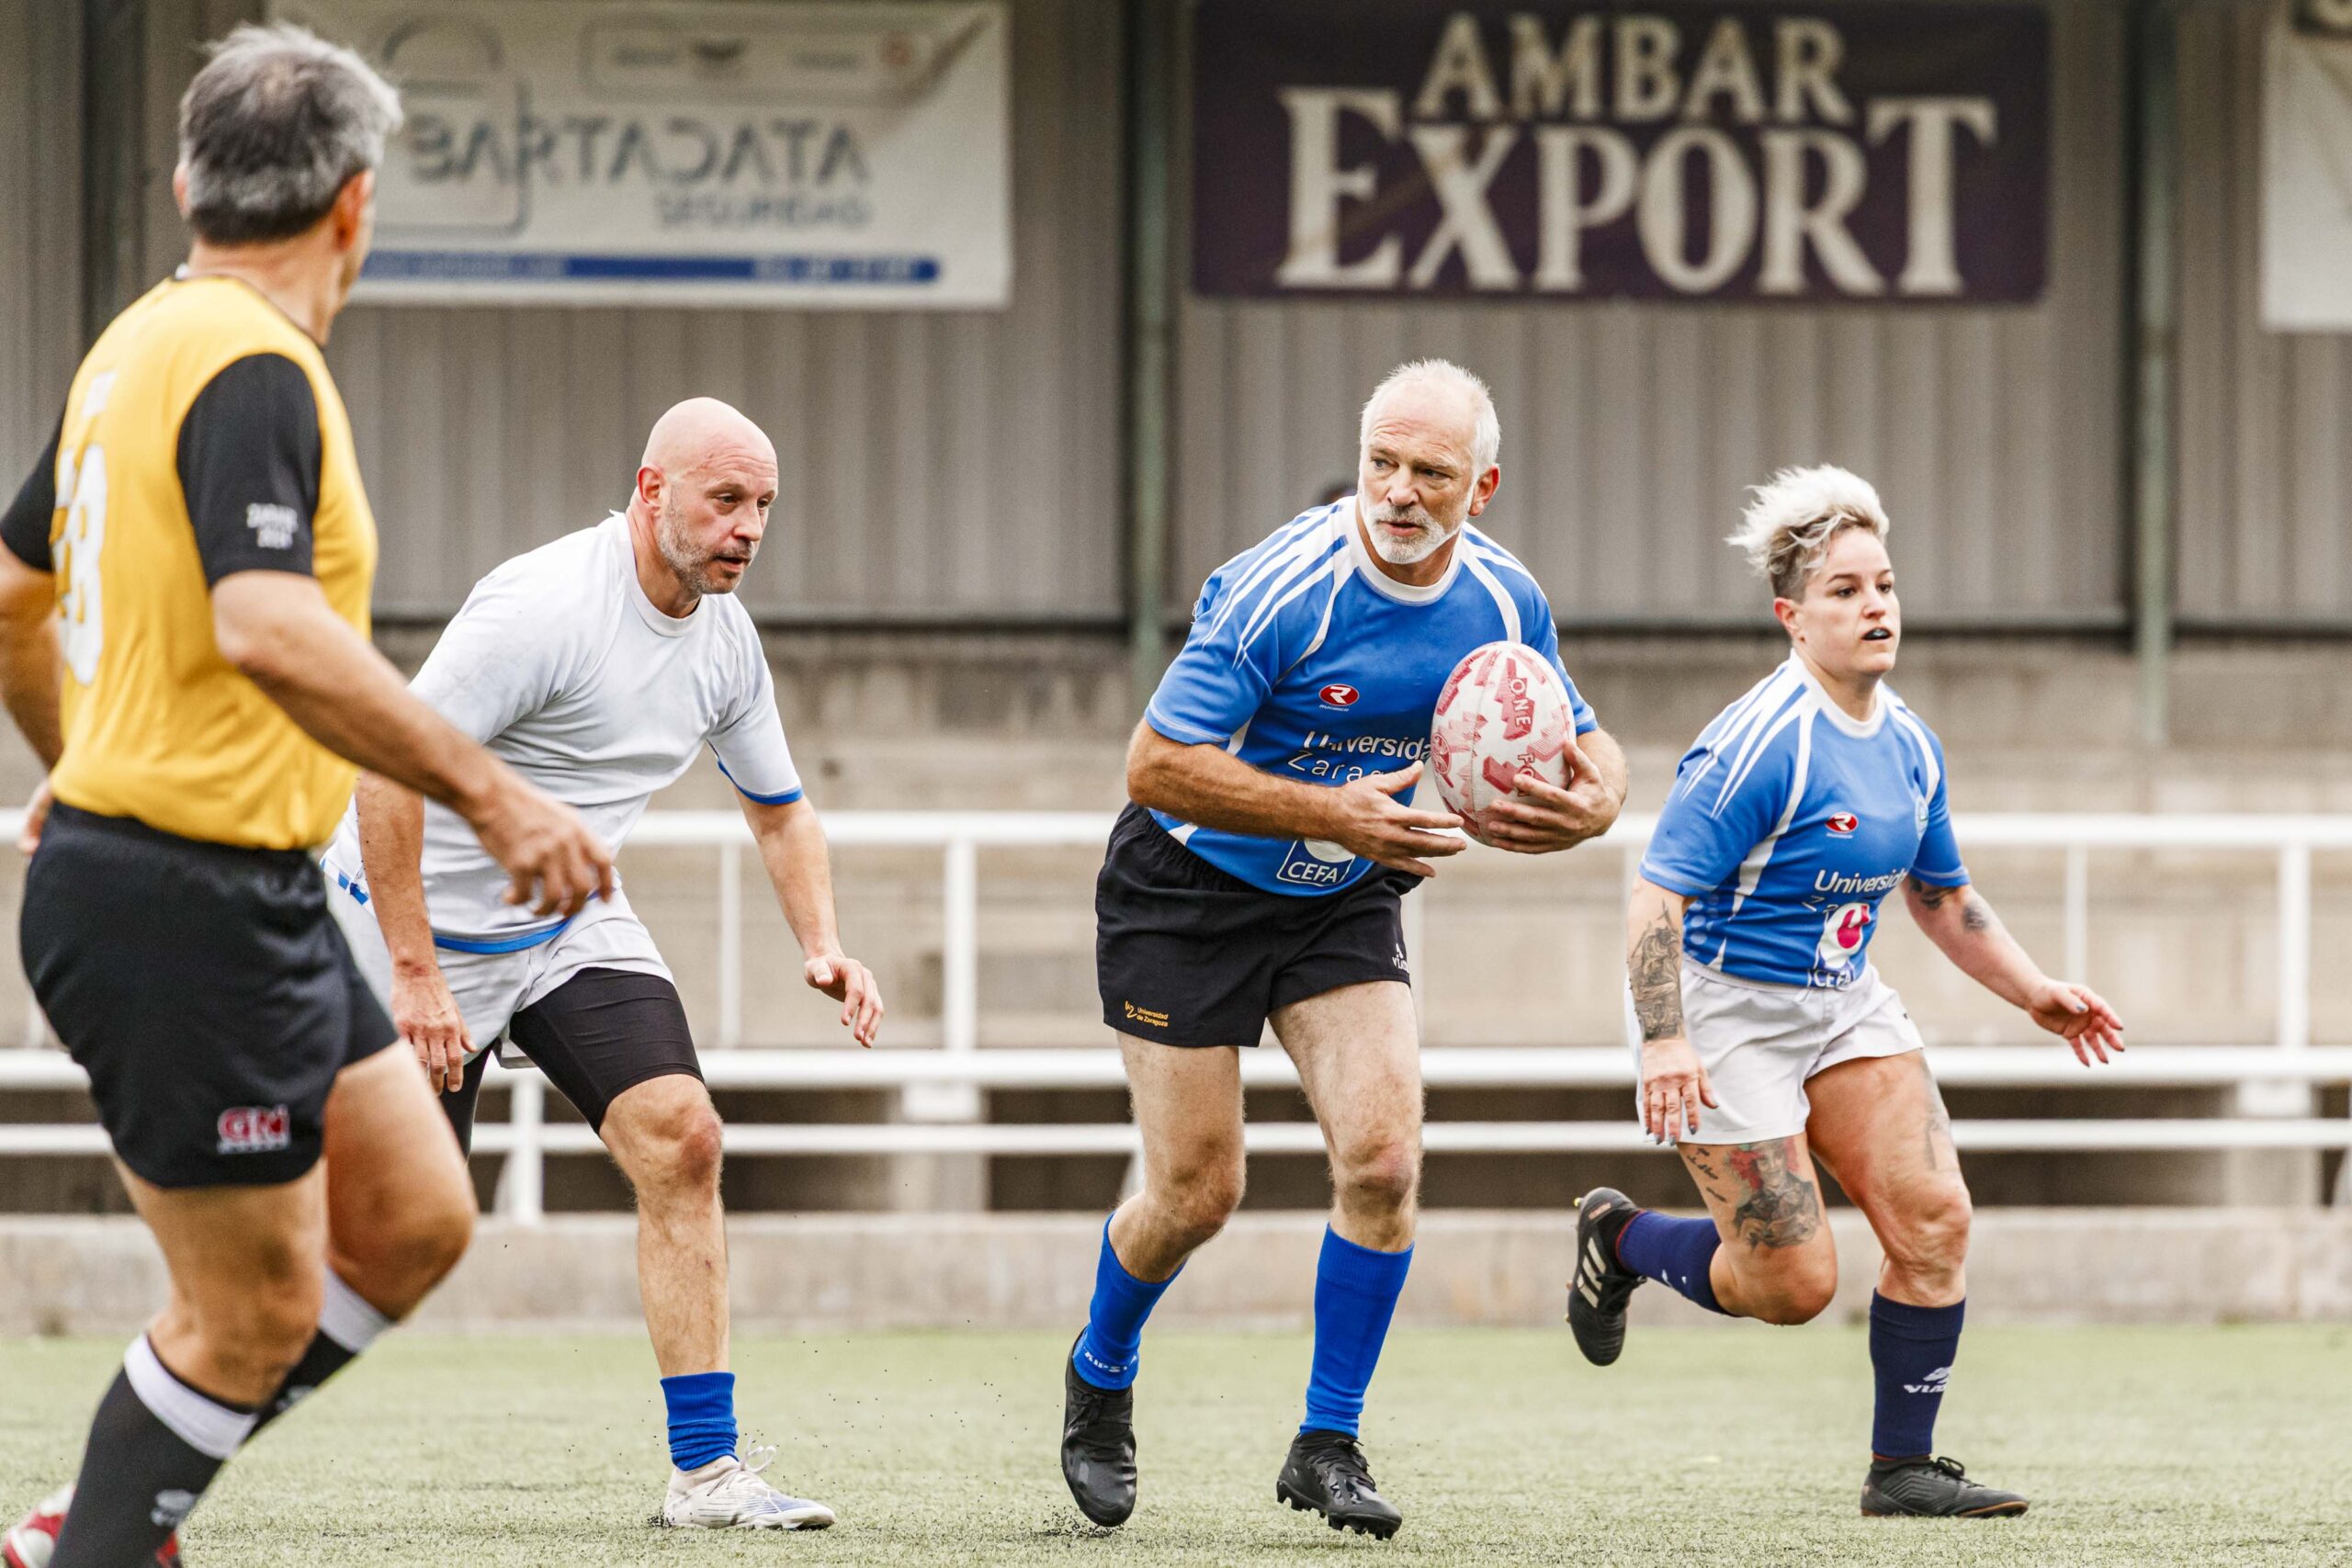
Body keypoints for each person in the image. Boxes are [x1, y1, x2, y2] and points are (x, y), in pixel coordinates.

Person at [0, 25, 612, 1568]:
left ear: (189, 185)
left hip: (225, 881)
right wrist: (491, 793)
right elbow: (265, 621)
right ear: (355, 202)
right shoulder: (258, 364)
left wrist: (79, 759)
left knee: (411, 1217)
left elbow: (13, 598)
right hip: (183, 896)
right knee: (251, 1312)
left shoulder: (133, 345)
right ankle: (100, 1530)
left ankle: (113, 1500)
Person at [1062, 360, 1629, 1539]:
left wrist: (1599, 802)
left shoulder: (1505, 598)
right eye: (1382, 463)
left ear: (1482, 487)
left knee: (1381, 1160)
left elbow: (1585, 736)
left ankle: (1326, 1441)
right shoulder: (1285, 590)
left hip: (1339, 895)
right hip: (1184, 892)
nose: (1400, 491)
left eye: (1431, 472)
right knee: (1197, 1193)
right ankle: (1100, 1370)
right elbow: (1153, 765)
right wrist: (1333, 810)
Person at [319, 397, 882, 1531]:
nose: (748, 528)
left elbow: (779, 809)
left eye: (764, 505)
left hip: (565, 921)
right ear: (650, 489)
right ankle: (158, 1449)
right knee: (387, 1248)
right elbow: (387, 772)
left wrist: (822, 943)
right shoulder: (541, 609)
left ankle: (707, 1475)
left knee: (685, 1138)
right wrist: (417, 973)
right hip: (399, 930)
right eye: (725, 500)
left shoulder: (726, 642)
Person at [1566, 466, 2127, 1518]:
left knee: (1935, 1220)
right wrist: (1664, 1039)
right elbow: (1654, 898)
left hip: (1843, 1004)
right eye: (1844, 591)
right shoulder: (1755, 745)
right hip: (1722, 1013)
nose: (1875, 607)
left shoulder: (1908, 743)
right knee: (1792, 1287)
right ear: (1791, 617)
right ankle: (1622, 1238)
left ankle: (1900, 1470)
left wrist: (2033, 990)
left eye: (1885, 585)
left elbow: (1940, 894)